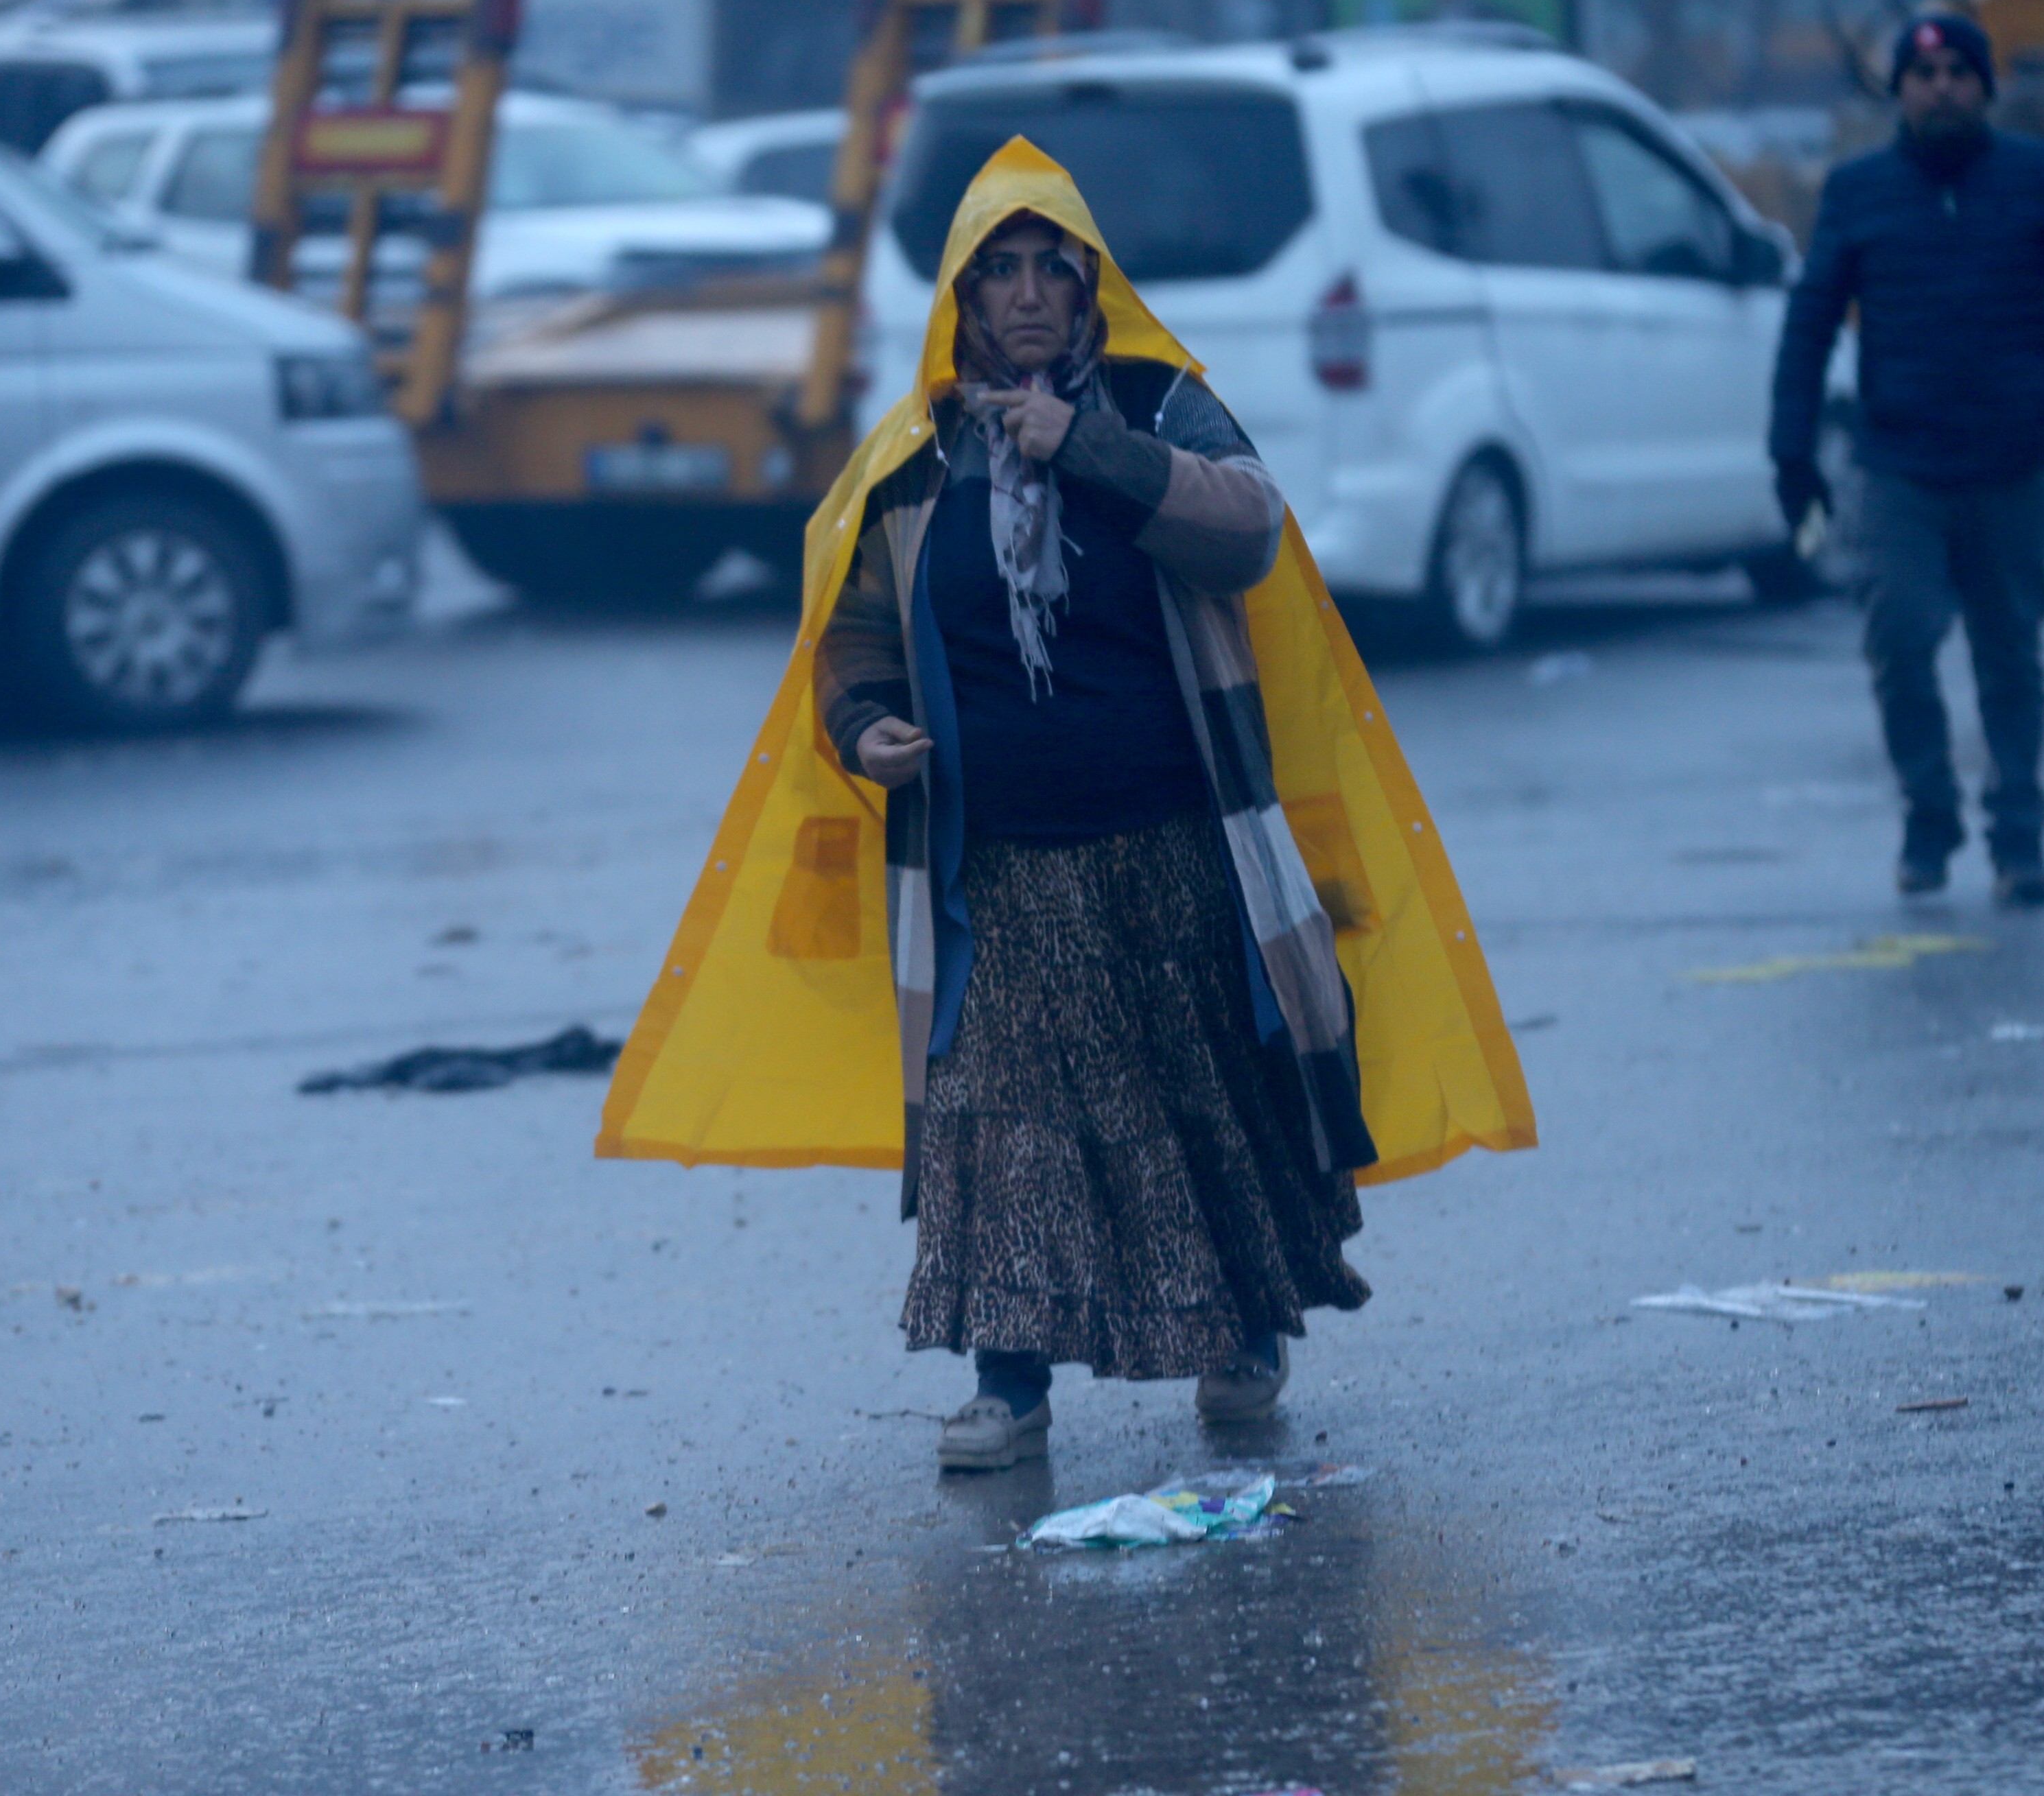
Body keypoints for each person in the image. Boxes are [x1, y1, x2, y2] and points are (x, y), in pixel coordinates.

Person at [593, 136, 1536, 1476]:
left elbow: (1247, 529)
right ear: (964, 303)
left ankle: (1243, 1339)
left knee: (1198, 1100)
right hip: (1007, 870)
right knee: (1006, 1121)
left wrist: (1085, 446)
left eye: (1053, 269)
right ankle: (1008, 1384)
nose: (1027, 295)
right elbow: (855, 626)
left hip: (1174, 848)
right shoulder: (918, 463)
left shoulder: (1160, 408)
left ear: (1092, 288)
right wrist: (866, 726)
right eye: (1000, 274)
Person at [1769, 12, 2044, 907]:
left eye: (1959, 72)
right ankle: (1928, 817)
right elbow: (1811, 321)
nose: (1941, 87)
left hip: (2012, 466)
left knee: (2010, 656)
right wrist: (1792, 447)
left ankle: (2020, 840)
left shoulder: (2037, 177)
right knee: (1899, 639)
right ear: (1899, 90)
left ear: (1983, 87)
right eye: (1923, 73)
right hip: (1900, 467)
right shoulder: (1858, 192)